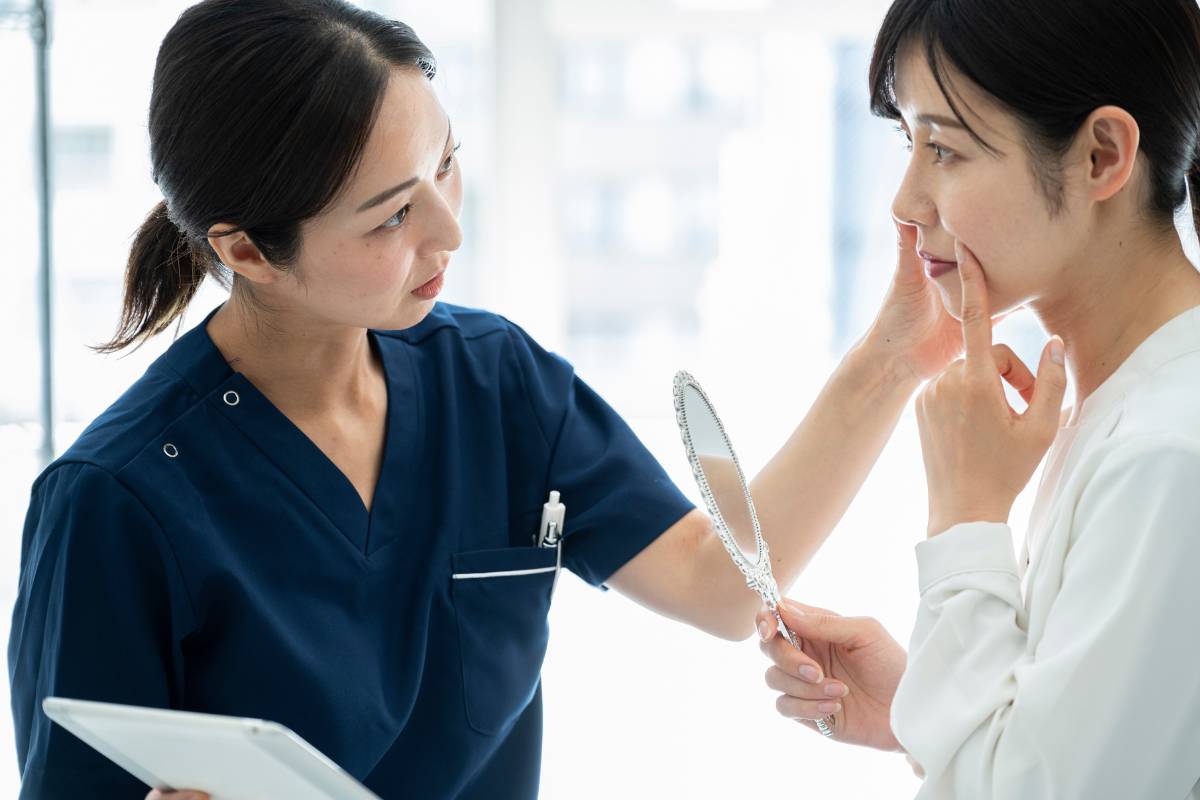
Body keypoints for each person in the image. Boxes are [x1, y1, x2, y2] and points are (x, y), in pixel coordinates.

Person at [7, 1, 988, 798]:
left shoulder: (493, 381)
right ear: (247, 250)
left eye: (443, 165)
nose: (447, 232)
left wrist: (898, 352)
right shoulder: (116, 500)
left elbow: (719, 584)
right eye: (393, 213)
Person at [759, 0, 1200, 797]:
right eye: (908, 142)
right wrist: (915, 707)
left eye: (946, 150)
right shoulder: (1126, 409)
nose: (905, 201)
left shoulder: (1166, 454)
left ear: (1102, 156)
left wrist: (966, 517)